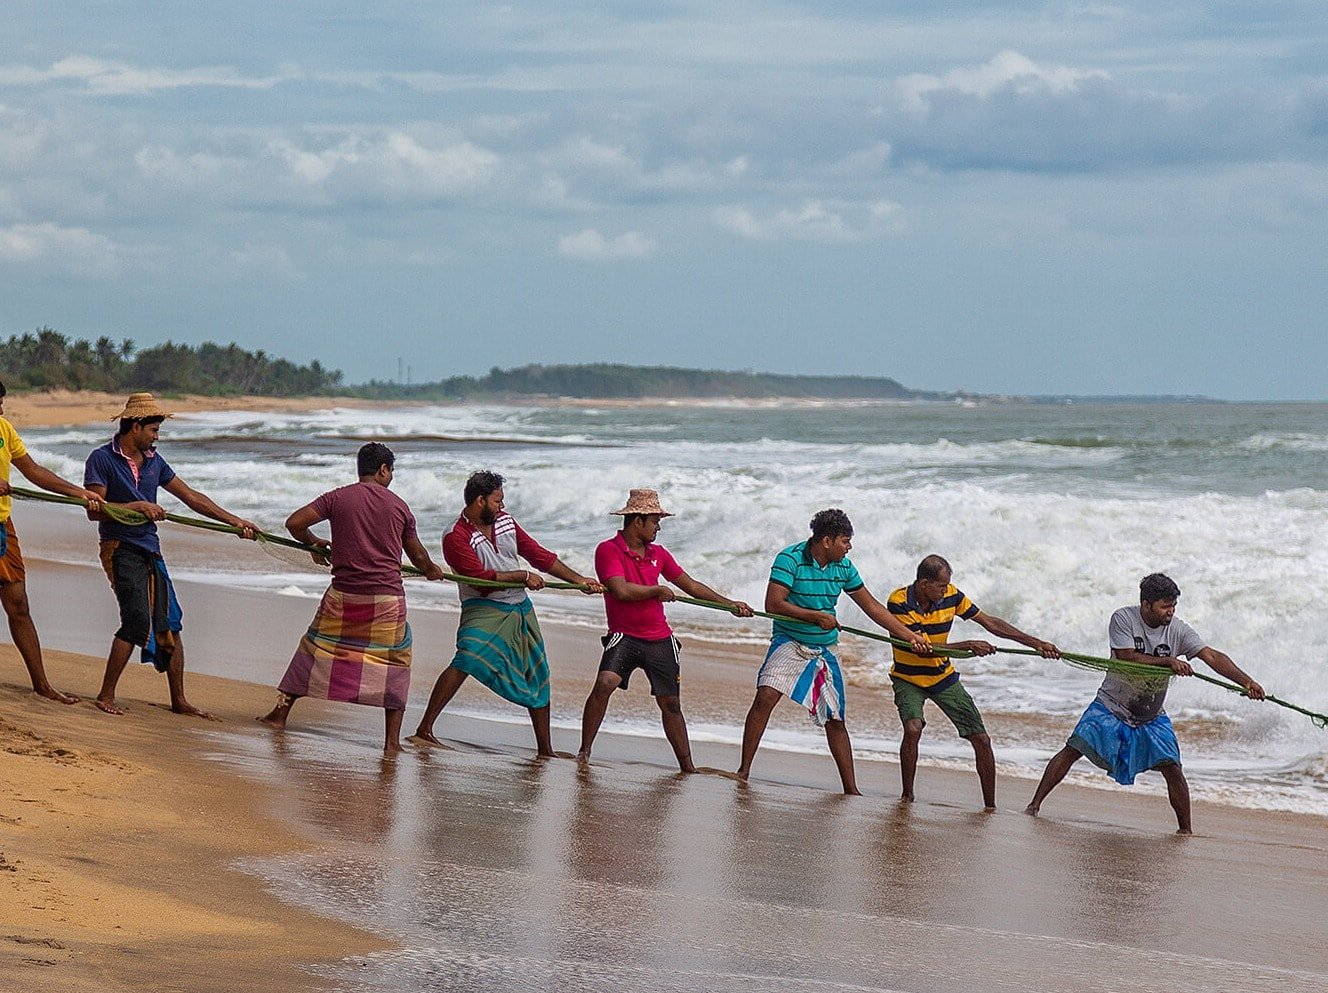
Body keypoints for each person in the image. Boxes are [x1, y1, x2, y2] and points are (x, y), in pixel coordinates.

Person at [1025, 573, 1265, 833]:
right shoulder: (1123, 619)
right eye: (1165, 606)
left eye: (1173, 606)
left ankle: (1186, 831)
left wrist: (1246, 681)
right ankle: (1034, 805)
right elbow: (1127, 658)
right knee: (1074, 748)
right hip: (1111, 705)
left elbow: (1211, 655)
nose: (1170, 612)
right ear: (1146, 604)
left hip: (1150, 715)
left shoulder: (1178, 630)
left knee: (1172, 767)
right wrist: (1168, 661)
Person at [257, 443, 445, 755]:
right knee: (395, 660)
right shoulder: (399, 506)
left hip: (343, 596)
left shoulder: (337, 497)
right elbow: (417, 553)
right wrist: (431, 570)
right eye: (391, 471)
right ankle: (391, 742)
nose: (391, 476)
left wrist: (315, 542)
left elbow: (295, 524)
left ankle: (279, 714)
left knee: (314, 648)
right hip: (386, 600)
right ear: (383, 470)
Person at [83, 392, 259, 717]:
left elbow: (191, 496)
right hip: (119, 548)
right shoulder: (101, 459)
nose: (156, 437)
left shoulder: (155, 462)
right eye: (153, 430)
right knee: (136, 620)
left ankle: (179, 701)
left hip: (150, 549)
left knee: (170, 624)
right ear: (135, 426)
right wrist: (137, 506)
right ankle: (106, 695)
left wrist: (234, 521)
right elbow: (96, 511)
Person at [736, 508, 933, 794]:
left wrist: (909, 636)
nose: (849, 546)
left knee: (835, 719)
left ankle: (851, 789)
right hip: (789, 639)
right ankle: (743, 771)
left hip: (825, 647)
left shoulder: (844, 567)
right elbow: (773, 604)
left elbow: (873, 607)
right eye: (845, 540)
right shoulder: (789, 559)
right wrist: (814, 616)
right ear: (826, 541)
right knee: (766, 695)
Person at [411, 470, 602, 756]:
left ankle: (545, 749)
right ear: (479, 501)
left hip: (519, 608)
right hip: (483, 607)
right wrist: (522, 576)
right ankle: (424, 729)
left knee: (538, 672)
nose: (502, 505)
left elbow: (540, 556)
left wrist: (579, 580)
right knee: (468, 657)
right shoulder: (455, 536)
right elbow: (480, 580)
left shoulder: (507, 522)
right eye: (497, 500)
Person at [577, 489, 753, 772]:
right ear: (638, 521)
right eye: (655, 521)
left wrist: (729, 604)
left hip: (660, 639)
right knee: (605, 684)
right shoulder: (607, 550)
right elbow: (620, 591)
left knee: (671, 704)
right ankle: (584, 752)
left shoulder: (659, 554)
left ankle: (688, 767)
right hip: (624, 634)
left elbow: (691, 586)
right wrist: (656, 590)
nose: (658, 526)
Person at [887, 554, 1060, 809]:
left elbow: (989, 622)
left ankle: (990, 806)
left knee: (981, 739)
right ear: (924, 584)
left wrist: (1037, 644)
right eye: (941, 586)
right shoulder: (899, 602)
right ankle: (907, 796)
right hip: (907, 677)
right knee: (913, 728)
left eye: (947, 586)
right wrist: (968, 645)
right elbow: (922, 647)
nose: (946, 591)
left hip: (942, 676)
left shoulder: (952, 596)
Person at [0, 381, 104, 703]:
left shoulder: (4, 428)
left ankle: (41, 685)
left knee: (19, 605)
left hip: (2, 525)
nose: (2, 409)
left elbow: (33, 470)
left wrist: (78, 492)